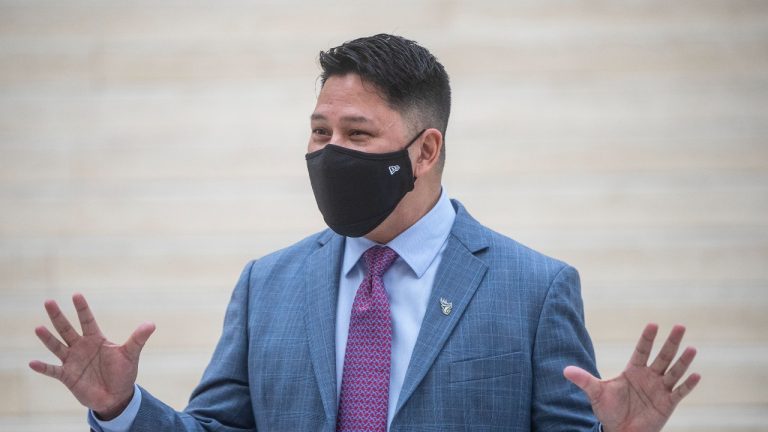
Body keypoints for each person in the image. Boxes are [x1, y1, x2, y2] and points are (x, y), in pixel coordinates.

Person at [29, 34, 700, 432]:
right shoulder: (267, 284)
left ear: (425, 151)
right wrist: (122, 409)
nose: (330, 152)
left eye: (357, 134)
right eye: (319, 131)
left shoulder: (535, 288)